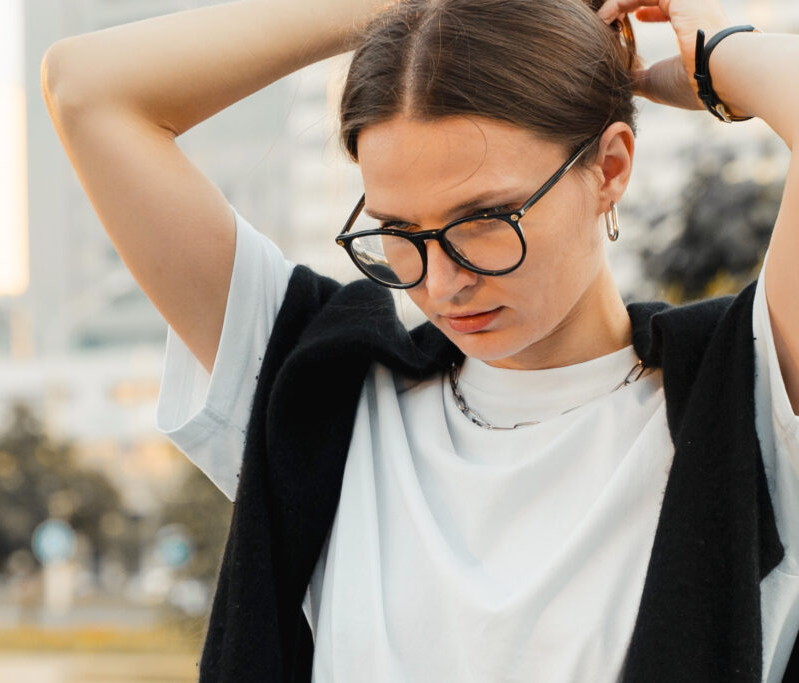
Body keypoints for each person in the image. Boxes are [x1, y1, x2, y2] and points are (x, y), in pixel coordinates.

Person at [41, 0, 799, 679]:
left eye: (484, 222)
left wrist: (721, 51)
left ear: (610, 167)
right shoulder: (330, 388)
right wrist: (415, 10)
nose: (442, 283)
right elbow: (86, 87)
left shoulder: (744, 395)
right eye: (399, 233)